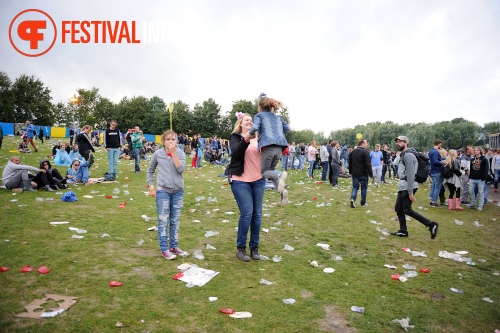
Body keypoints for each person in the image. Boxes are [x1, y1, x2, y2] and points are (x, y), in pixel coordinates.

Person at [227, 113, 267, 261]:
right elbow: (236, 153)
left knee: (257, 214)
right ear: (241, 123)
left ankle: (254, 249)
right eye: (247, 120)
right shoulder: (235, 137)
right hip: (240, 180)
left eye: (251, 120)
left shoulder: (261, 138)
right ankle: (241, 249)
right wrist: (246, 139)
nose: (250, 122)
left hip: (258, 180)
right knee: (247, 213)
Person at [147, 130, 188, 260]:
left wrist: (174, 154)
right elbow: (150, 171)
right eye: (168, 139)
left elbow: (181, 169)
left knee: (175, 220)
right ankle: (164, 248)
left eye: (173, 139)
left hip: (178, 191)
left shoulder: (180, 153)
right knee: (163, 220)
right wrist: (152, 187)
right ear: (163, 141)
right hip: (163, 191)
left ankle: (174, 246)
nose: (171, 142)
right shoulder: (158, 154)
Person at [391, 136, 439, 238]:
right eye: (397, 142)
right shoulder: (404, 154)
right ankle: (403, 231)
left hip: (409, 185)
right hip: (403, 185)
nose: (397, 143)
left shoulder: (408, 155)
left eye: (400, 142)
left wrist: (410, 192)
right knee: (399, 208)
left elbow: (411, 174)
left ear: (406, 143)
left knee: (407, 209)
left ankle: (431, 224)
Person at [248, 96, 290, 204]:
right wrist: (278, 133)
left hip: (268, 146)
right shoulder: (278, 117)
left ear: (260, 107)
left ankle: (279, 175)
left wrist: (250, 135)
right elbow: (287, 128)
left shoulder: (259, 115)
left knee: (263, 172)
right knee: (270, 172)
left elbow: (254, 127)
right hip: (279, 148)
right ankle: (282, 192)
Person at [349, 139, 372, 208]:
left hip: (355, 173)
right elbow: (368, 164)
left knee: (355, 187)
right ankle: (363, 202)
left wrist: (350, 172)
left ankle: (353, 198)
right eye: (366, 143)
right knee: (364, 188)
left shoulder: (353, 152)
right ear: (362, 144)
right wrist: (371, 173)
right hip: (363, 173)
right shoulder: (365, 152)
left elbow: (350, 163)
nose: (367, 144)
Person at [467, 147, 489, 211]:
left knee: (480, 192)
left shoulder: (484, 159)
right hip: (472, 178)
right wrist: (469, 177)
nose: (476, 151)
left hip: (480, 179)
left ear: (480, 151)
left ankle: (480, 206)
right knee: (470, 191)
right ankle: (473, 203)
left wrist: (483, 178)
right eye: (475, 150)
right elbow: (470, 168)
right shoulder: (472, 159)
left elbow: (486, 169)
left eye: (477, 150)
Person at [429, 139, 444, 207]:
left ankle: (431, 200)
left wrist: (442, 159)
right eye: (441, 145)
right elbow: (435, 161)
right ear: (439, 144)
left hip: (433, 171)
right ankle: (435, 202)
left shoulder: (431, 151)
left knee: (434, 187)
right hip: (437, 171)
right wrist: (442, 162)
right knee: (437, 187)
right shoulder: (435, 152)